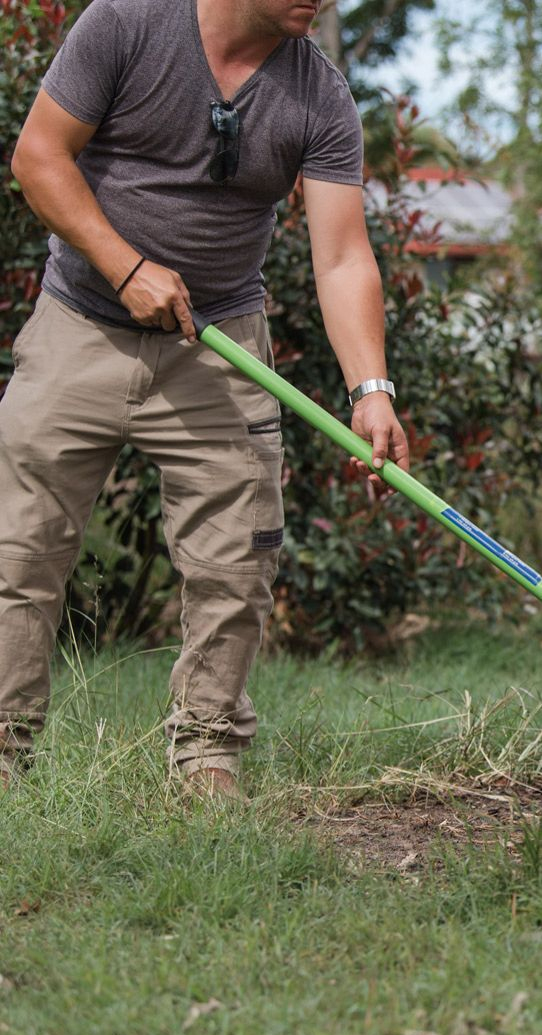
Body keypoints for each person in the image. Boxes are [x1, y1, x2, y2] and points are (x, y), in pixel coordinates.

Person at [0, 0, 409, 799]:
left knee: (236, 560)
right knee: (20, 551)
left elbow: (342, 256)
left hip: (219, 343)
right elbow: (39, 158)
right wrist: (124, 266)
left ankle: (207, 757)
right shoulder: (125, 24)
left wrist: (372, 389)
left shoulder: (318, 97)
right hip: (80, 323)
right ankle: (4, 749)